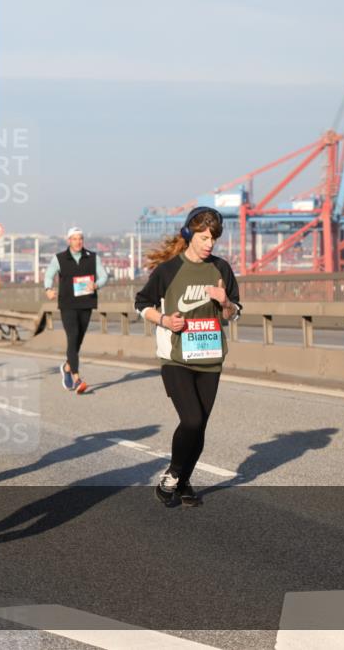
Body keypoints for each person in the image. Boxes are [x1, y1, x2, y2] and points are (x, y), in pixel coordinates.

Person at [134, 207, 241, 507]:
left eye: (213, 239)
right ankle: (172, 475)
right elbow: (141, 304)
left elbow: (235, 312)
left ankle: (183, 483)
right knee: (191, 420)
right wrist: (165, 320)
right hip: (176, 357)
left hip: (210, 357)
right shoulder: (169, 270)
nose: (209, 244)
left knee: (200, 426)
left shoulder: (222, 269)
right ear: (189, 235)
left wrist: (225, 303)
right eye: (204, 237)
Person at [44, 227, 109, 394]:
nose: (78, 242)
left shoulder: (93, 257)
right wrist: (48, 289)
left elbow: (104, 276)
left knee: (78, 340)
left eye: (80, 238)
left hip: (86, 303)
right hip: (67, 304)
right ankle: (76, 378)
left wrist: (96, 285)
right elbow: (49, 275)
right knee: (72, 337)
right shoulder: (59, 258)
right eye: (74, 239)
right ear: (69, 241)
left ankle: (66, 367)